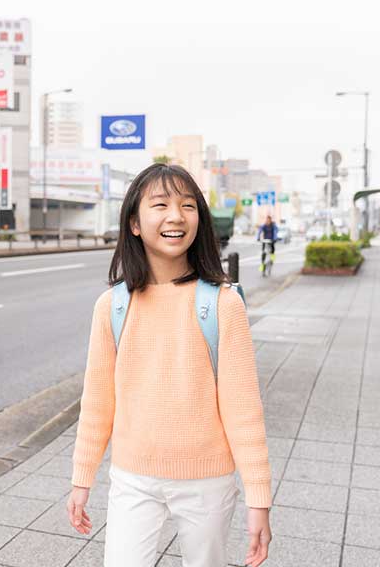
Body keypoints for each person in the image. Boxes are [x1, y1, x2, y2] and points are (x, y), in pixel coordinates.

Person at [67, 163, 272, 567]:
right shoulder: (112, 306)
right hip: (132, 477)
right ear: (135, 223)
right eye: (160, 204)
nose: (176, 216)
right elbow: (97, 403)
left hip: (208, 481)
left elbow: (243, 408)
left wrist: (259, 499)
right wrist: (81, 479)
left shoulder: (223, 303)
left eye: (188, 205)